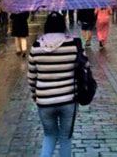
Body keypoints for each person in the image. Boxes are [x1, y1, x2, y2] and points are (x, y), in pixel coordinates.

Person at [28, 12, 85, 157]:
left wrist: (35, 95)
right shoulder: (73, 44)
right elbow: (85, 67)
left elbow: (31, 77)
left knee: (49, 135)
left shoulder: (36, 46)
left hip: (44, 100)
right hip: (68, 99)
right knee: (65, 138)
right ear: (63, 26)